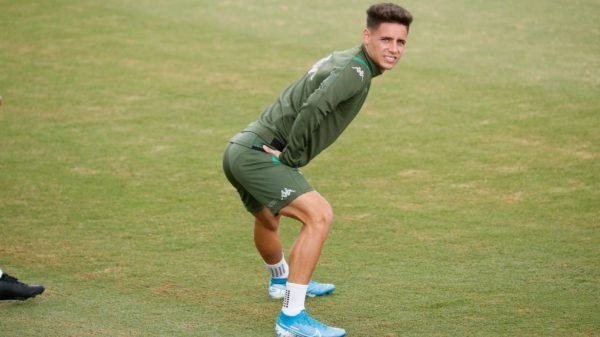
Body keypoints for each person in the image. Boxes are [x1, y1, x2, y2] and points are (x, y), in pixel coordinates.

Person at [222, 3, 413, 336]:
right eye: (386, 40)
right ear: (367, 36)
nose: (393, 49)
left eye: (400, 42)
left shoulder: (343, 58)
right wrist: (291, 158)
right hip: (260, 153)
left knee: (268, 218)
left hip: (240, 147)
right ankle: (291, 318)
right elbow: (314, 108)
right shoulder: (355, 72)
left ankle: (281, 281)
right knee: (319, 216)